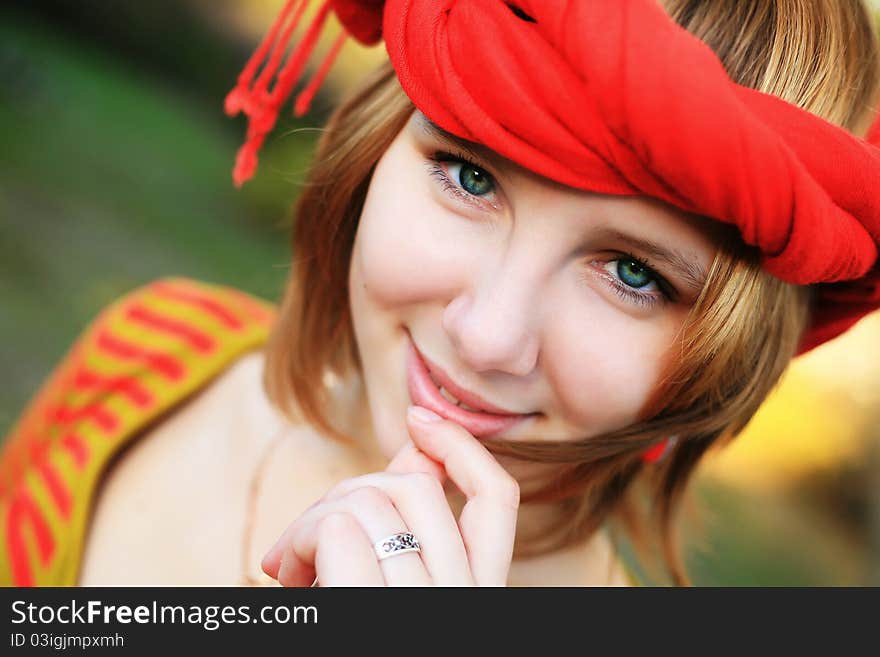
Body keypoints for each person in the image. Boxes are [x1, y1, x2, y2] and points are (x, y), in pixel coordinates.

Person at [2, 0, 879, 587]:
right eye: (468, 176)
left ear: (724, 358)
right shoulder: (148, 359)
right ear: (378, 146)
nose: (488, 335)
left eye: (633, 274)